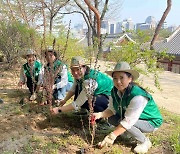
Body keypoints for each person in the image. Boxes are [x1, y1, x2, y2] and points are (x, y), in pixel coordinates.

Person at [93, 61, 163, 153]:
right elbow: (112, 110)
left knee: (128, 124)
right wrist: (100, 114)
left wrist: (112, 136)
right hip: (131, 118)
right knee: (111, 119)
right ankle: (128, 133)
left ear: (130, 79)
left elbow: (129, 121)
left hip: (150, 121)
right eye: (115, 78)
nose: (118, 82)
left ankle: (144, 141)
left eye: (122, 78)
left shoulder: (137, 96)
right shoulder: (115, 91)